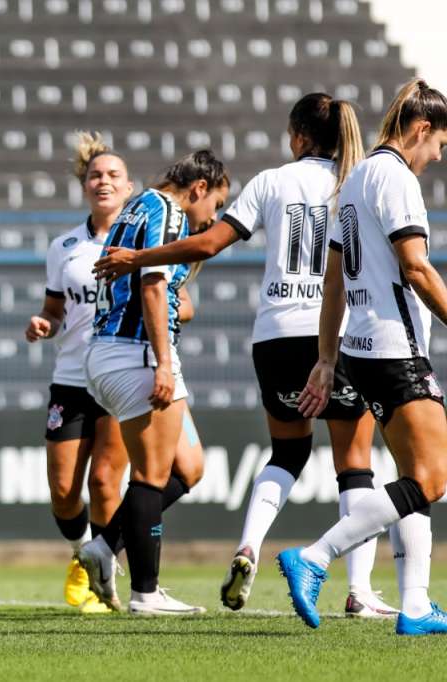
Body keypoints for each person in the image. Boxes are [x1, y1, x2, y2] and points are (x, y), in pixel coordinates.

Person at [93, 94, 396, 618]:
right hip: (337, 334)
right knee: (354, 464)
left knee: (287, 455)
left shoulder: (270, 181)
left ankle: (249, 546)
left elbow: (208, 243)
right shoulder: (360, 181)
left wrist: (141, 257)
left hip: (274, 337)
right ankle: (360, 591)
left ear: (298, 137)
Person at [278, 78, 447, 636]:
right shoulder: (395, 177)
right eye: (439, 145)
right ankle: (315, 556)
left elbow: (333, 281)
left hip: (362, 349)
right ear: (421, 129)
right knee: (432, 479)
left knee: (413, 476)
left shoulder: (353, 180)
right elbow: (416, 266)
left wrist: (328, 359)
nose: (436, 158)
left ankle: (416, 605)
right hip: (396, 348)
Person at [80, 150, 228, 615]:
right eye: (216, 204)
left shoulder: (139, 204)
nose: (214, 217)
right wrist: (163, 363)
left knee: (189, 467)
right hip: (136, 352)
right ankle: (146, 593)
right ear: (199, 189)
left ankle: (104, 545)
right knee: (150, 475)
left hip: (111, 351)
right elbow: (153, 285)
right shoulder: (169, 211)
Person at [25, 133, 133, 613]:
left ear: (129, 187)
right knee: (64, 492)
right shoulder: (64, 246)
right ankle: (82, 554)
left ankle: (106, 581)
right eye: (95, 175)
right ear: (84, 184)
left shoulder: (143, 243)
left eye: (113, 176)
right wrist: (43, 324)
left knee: (106, 482)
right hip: (71, 378)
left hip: (118, 374)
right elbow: (54, 311)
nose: (103, 182)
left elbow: (183, 304)